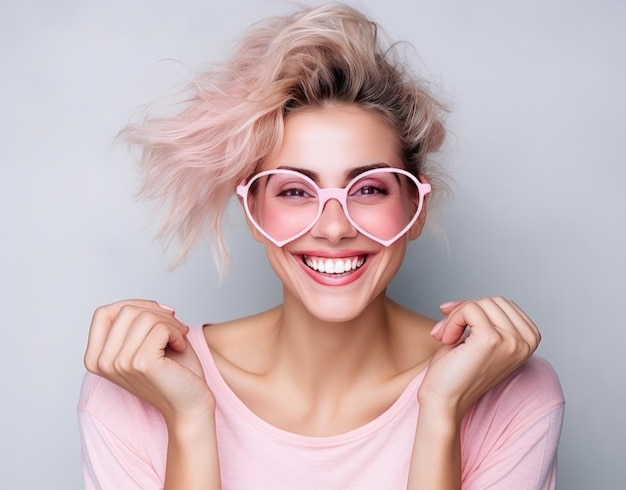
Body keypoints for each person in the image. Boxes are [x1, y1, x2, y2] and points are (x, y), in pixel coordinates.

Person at [78, 3, 564, 489]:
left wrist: (440, 413)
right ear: (253, 212)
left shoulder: (511, 393)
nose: (334, 227)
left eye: (370, 188)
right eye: (294, 190)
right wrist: (189, 418)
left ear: (415, 206)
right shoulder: (139, 388)